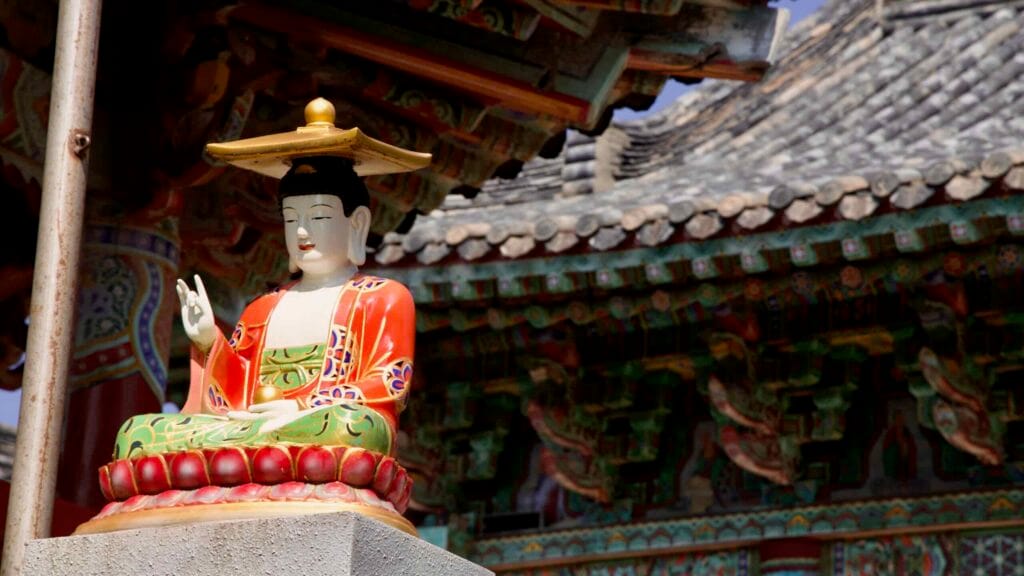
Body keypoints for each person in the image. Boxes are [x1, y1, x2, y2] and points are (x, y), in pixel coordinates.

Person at [112, 156, 415, 460]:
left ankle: (247, 453)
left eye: (319, 218)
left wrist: (300, 407)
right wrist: (208, 339)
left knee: (355, 426)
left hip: (321, 424)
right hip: (252, 427)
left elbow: (390, 381)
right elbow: (237, 385)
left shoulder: (383, 297)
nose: (301, 232)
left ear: (357, 223)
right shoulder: (263, 307)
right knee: (137, 433)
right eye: (291, 219)